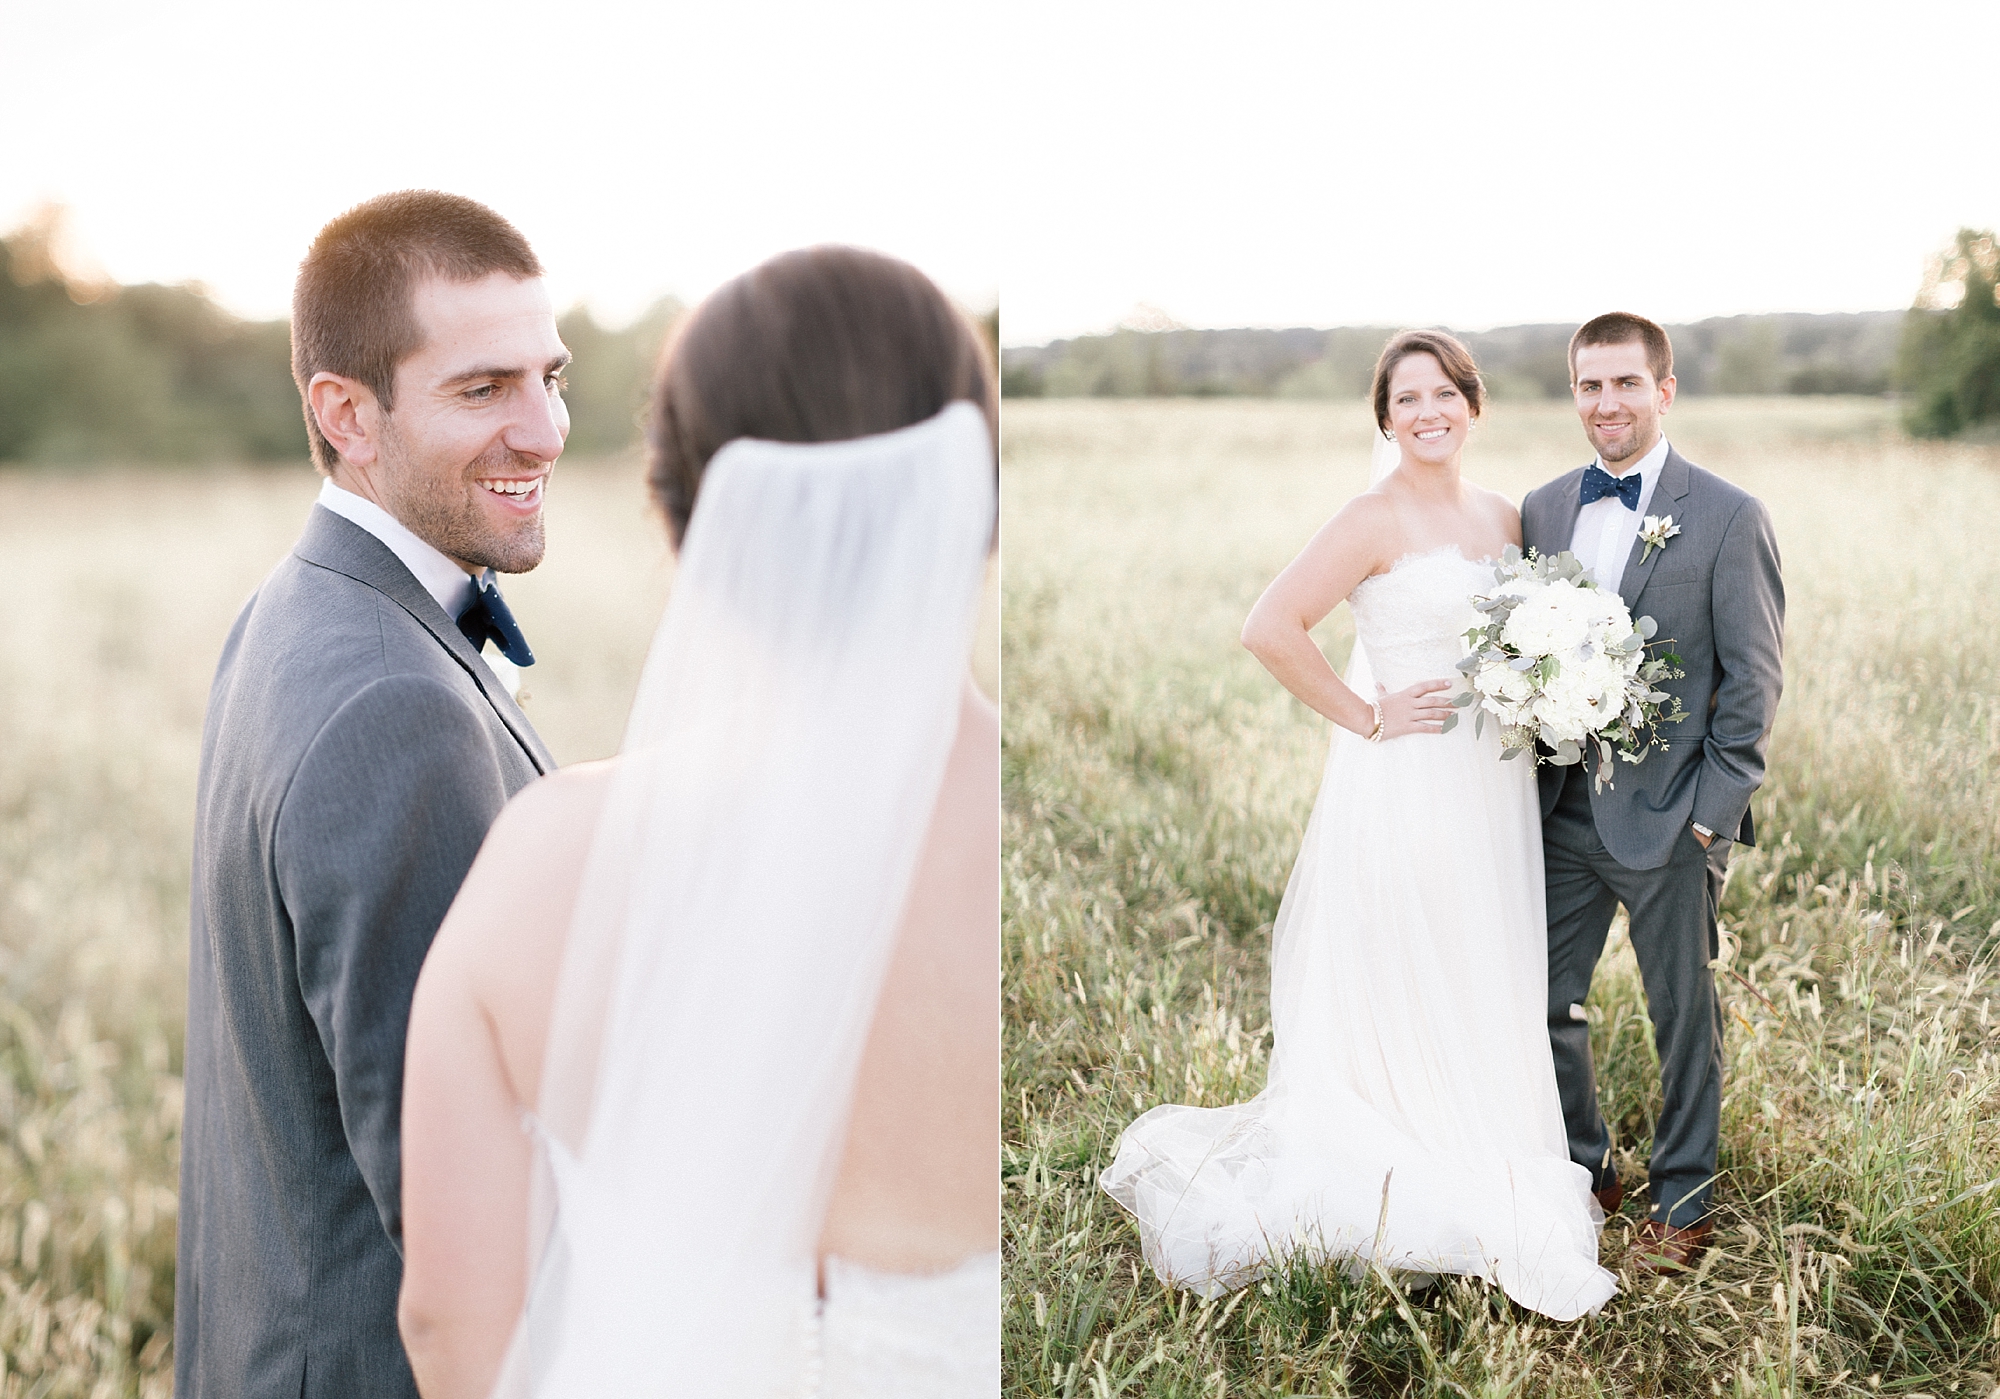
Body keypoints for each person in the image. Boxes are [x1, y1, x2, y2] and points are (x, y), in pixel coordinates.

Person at [396, 246, 1000, 1398]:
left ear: (683, 521)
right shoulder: (1037, 830)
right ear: (972, 485)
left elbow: (449, 1325)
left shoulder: (542, 856)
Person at [1100, 330, 1617, 1320]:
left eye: (1442, 394)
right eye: (1405, 399)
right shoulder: (1367, 516)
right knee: (1406, 956)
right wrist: (1368, 713)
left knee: (1478, 956)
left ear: (1473, 406)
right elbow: (1267, 626)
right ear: (1383, 419)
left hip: (1490, 783)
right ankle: (1397, 1149)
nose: (1426, 412)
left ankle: (1480, 1132)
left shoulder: (1501, 514)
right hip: (1408, 775)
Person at [177, 191, 565, 1397]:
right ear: (346, 413)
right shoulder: (391, 713)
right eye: (482, 388)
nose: (544, 429)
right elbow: (460, 1219)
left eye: (552, 376)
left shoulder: (296, 611)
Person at [1522, 312, 1783, 1272]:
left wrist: (1708, 819)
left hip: (1674, 817)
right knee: (1542, 1001)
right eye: (1589, 386)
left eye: (1625, 383)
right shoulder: (1545, 508)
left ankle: (1684, 1193)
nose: (1606, 403)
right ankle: (1588, 1165)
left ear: (1663, 390)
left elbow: (1752, 686)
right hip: (1559, 814)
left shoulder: (1727, 514)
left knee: (1683, 1015)